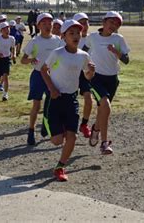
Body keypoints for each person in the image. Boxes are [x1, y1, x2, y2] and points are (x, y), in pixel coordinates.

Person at [40, 19, 95, 181]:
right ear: (63, 36)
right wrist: (52, 89)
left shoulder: (84, 56)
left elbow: (87, 76)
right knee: (57, 141)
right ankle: (48, 123)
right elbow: (43, 70)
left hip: (71, 100)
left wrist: (90, 72)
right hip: (55, 99)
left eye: (78, 32)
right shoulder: (57, 53)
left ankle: (60, 167)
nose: (76, 36)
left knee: (73, 137)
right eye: (71, 33)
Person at [85, 11, 130, 155]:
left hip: (112, 79)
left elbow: (126, 60)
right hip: (96, 78)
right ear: (104, 22)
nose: (113, 25)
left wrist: (116, 51)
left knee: (103, 110)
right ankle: (104, 143)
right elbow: (83, 52)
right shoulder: (92, 37)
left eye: (117, 24)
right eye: (111, 22)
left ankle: (96, 130)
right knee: (106, 105)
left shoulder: (118, 39)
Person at [21, 12, 63, 146]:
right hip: (38, 75)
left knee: (54, 104)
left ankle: (49, 127)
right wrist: (31, 60)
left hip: (54, 76)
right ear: (38, 25)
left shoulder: (58, 40)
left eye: (49, 23)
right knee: (36, 105)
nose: (47, 25)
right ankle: (31, 130)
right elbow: (23, 60)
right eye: (43, 23)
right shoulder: (34, 41)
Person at [73, 12, 93, 139]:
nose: (84, 25)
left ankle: (84, 124)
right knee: (69, 100)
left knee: (88, 98)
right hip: (72, 72)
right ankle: (69, 124)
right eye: (81, 23)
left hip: (86, 72)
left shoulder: (93, 39)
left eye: (86, 22)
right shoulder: (72, 38)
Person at [0, 21, 16, 101]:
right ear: (1, 31)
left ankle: (5, 94)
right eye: (4, 29)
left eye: (8, 28)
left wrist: (14, 54)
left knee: (6, 76)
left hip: (6, 59)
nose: (7, 30)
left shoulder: (12, 38)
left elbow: (13, 47)